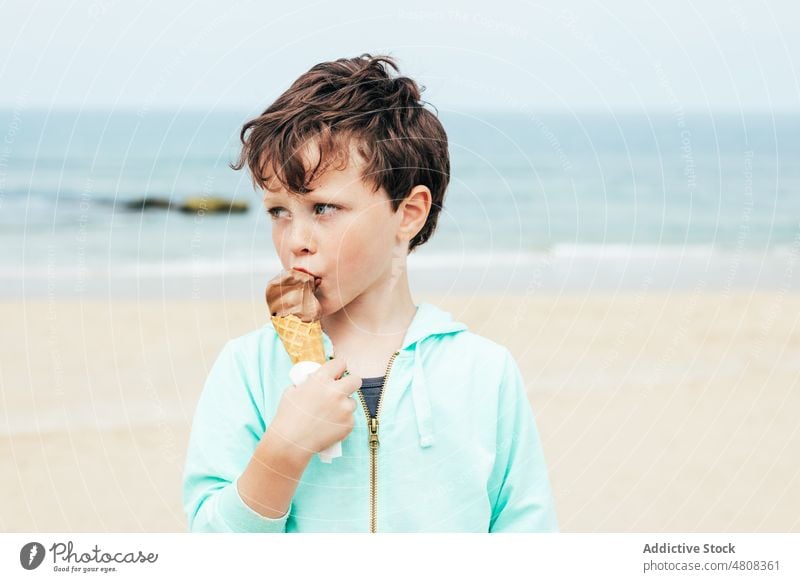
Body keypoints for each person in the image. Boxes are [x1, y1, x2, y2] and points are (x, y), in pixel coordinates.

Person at [182, 53, 559, 533]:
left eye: (324, 208)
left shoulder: (484, 373)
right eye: (278, 211)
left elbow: (529, 536)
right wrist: (284, 449)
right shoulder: (248, 370)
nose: (294, 239)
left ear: (408, 213)